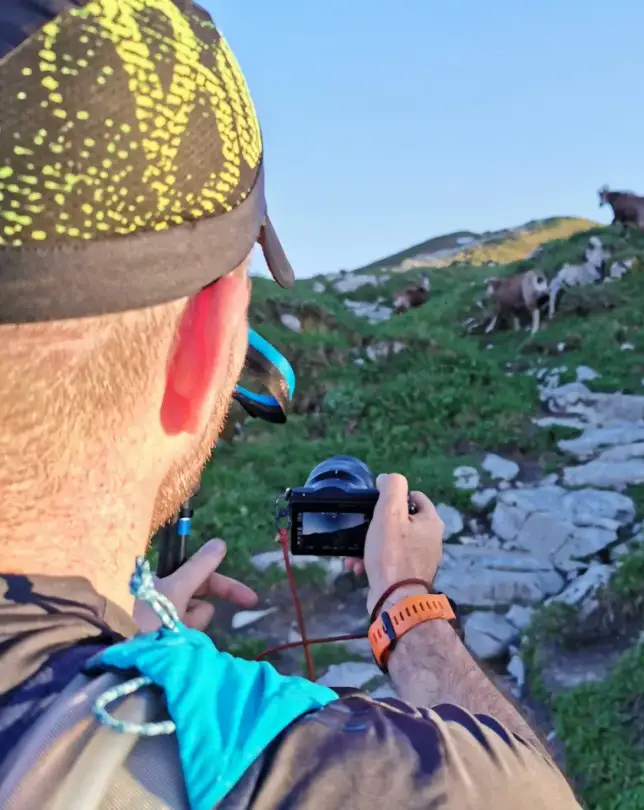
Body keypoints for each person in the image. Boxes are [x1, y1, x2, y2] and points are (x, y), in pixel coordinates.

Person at [0, 1, 583, 808]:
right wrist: (405, 604)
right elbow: (526, 788)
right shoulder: (285, 773)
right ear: (211, 345)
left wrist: (107, 629)